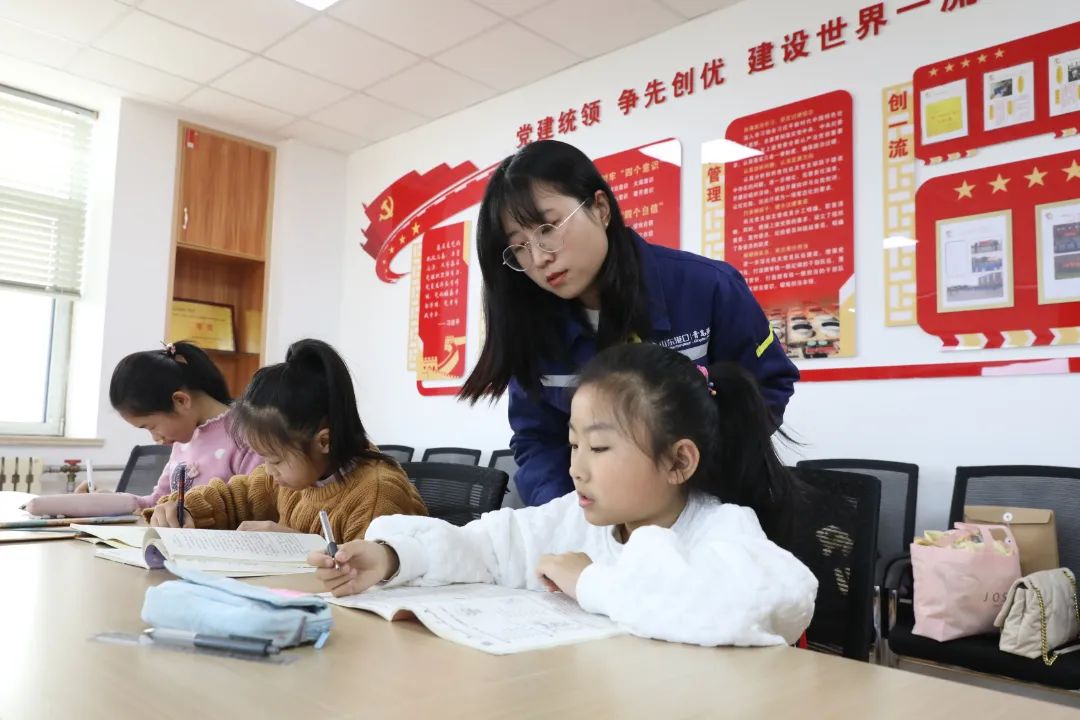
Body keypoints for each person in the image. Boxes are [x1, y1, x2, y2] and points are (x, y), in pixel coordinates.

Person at [310, 343, 816, 648]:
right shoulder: (572, 518)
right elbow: (486, 546)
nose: (576, 467)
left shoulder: (723, 527)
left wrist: (590, 581)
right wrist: (392, 556)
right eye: (573, 444)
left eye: (599, 447)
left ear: (678, 462)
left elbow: (759, 603)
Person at [458, 140, 799, 506]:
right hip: (599, 522)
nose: (539, 258)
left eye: (548, 228)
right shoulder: (534, 330)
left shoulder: (707, 287)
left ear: (600, 208)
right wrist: (567, 514)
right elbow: (538, 439)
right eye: (519, 247)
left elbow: (766, 387)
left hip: (710, 507)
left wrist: (690, 488)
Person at [148, 339, 427, 542]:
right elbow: (236, 496)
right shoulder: (291, 477)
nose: (268, 470)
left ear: (324, 442)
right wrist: (185, 508)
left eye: (276, 459)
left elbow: (371, 576)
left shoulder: (377, 495)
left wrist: (298, 545)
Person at [92, 341, 262, 508]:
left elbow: (256, 510)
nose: (155, 438)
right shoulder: (184, 439)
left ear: (181, 401)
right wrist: (106, 501)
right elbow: (158, 502)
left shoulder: (248, 435)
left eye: (151, 427)